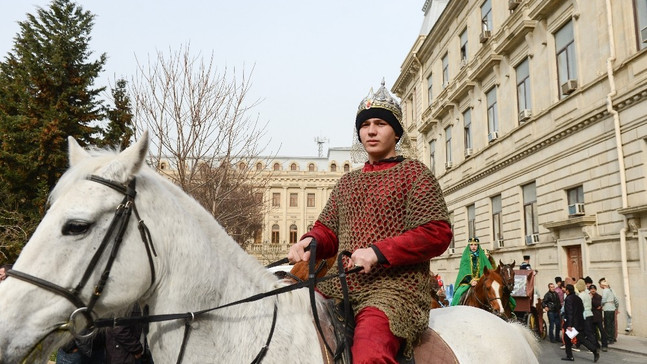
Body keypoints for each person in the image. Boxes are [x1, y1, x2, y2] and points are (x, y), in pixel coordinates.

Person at [287, 80, 453, 364]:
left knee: (369, 356)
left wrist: (379, 252)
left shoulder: (415, 174)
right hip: (340, 285)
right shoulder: (348, 182)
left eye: (380, 124)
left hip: (395, 289)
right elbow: (328, 229)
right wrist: (310, 241)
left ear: (396, 132)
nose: (371, 131)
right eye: (365, 125)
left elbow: (436, 232)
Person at [562, 284, 600, 362]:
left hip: (572, 324)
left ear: (568, 291)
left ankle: (570, 356)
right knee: (581, 338)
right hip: (579, 322)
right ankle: (594, 350)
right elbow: (582, 309)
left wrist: (569, 325)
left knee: (567, 339)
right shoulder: (578, 298)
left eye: (566, 290)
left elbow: (569, 312)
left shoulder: (568, 299)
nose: (565, 291)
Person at [450, 238, 493, 306]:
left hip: (481, 282)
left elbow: (487, 269)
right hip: (468, 282)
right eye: (471, 245)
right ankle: (454, 310)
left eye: (475, 245)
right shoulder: (466, 256)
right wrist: (471, 281)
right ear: (469, 246)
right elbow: (464, 270)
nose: (473, 247)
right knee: (458, 294)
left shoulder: (482, 256)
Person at [576, 279, 599, 350]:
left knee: (588, 332)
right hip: (590, 314)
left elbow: (579, 307)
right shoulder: (588, 295)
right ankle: (579, 344)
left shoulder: (580, 296)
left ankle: (594, 346)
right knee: (586, 331)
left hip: (584, 315)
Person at [599, 278, 619, 344]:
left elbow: (604, 299)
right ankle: (613, 337)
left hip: (607, 308)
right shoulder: (612, 290)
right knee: (612, 324)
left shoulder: (605, 291)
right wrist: (616, 307)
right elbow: (616, 300)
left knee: (607, 324)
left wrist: (601, 305)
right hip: (612, 308)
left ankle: (609, 338)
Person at [589, 284, 608, 351]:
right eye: (591, 289)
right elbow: (589, 306)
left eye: (594, 289)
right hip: (591, 317)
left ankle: (604, 345)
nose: (593, 290)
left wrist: (592, 300)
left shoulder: (598, 296)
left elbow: (597, 304)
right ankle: (596, 345)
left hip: (598, 316)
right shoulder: (588, 296)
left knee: (602, 331)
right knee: (594, 332)